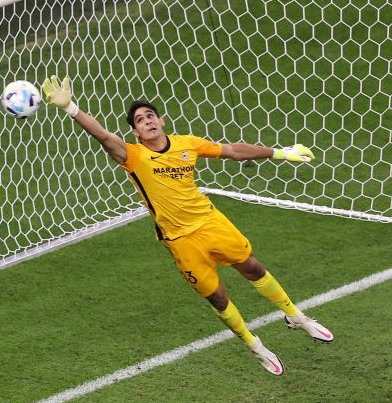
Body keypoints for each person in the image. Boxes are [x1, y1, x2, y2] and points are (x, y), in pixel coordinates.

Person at [41, 76, 333, 376]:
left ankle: (296, 316)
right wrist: (72, 109)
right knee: (218, 298)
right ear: (136, 131)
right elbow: (104, 136)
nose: (147, 121)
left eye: (150, 116)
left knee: (253, 268)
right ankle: (254, 345)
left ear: (161, 120)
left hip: (210, 222)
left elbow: (233, 151)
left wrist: (281, 153)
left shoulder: (187, 144)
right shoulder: (134, 157)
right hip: (180, 241)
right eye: (140, 120)